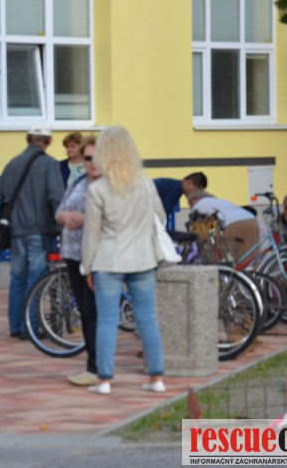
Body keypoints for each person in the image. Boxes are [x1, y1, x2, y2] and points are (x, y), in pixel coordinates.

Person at [82, 125, 167, 395]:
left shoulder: (98, 189)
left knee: (107, 320)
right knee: (147, 319)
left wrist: (87, 266)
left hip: (108, 260)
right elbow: (160, 218)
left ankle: (105, 380)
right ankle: (156, 378)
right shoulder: (146, 183)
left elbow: (91, 233)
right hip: (143, 259)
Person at [0, 126, 64, 338]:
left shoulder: (11, 164)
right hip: (39, 230)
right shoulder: (49, 164)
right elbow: (56, 197)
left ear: (28, 139)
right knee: (36, 280)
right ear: (49, 141)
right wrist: (62, 225)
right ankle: (31, 328)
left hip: (15, 231)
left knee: (18, 279)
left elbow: (0, 197)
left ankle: (16, 326)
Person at [55, 135, 101, 386]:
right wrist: (66, 216)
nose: (91, 162)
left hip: (97, 256)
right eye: (87, 158)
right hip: (73, 253)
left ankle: (97, 367)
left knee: (93, 310)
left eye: (95, 157)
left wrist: (85, 219)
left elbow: (113, 218)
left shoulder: (109, 184)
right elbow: (59, 210)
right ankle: (94, 364)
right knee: (84, 309)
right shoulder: (79, 181)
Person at [182, 171, 260, 263]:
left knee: (229, 258)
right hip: (251, 220)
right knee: (250, 259)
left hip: (233, 224)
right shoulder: (217, 201)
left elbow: (198, 229)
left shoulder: (198, 205)